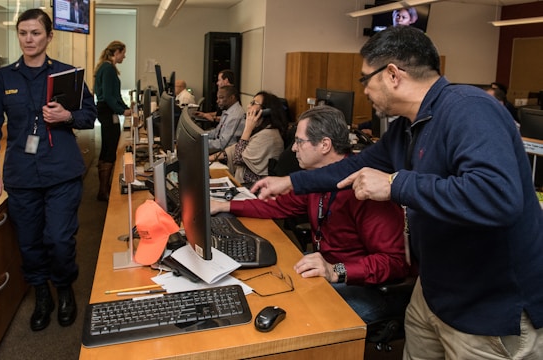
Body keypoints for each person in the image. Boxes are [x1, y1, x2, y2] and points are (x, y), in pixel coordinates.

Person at [252, 26, 543, 358]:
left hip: (488, 308)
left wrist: (394, 184)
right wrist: (290, 182)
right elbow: (352, 167)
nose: (364, 92)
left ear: (392, 74)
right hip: (434, 292)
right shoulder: (409, 125)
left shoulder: (470, 109)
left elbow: (497, 197)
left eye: (365, 80)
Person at [211, 105, 409, 323]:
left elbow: (396, 262)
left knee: (298, 319)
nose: (293, 149)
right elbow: (277, 206)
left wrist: (336, 270)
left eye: (299, 141)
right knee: (261, 288)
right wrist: (225, 206)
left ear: (324, 145)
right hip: (326, 271)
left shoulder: (364, 190)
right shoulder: (316, 179)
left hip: (362, 286)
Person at [0, 8, 97, 332]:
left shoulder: (68, 75)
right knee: (29, 242)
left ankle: (65, 287)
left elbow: (90, 115)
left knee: (58, 239)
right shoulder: (2, 78)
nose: (29, 39)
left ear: (49, 36)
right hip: (22, 175)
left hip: (62, 173)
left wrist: (66, 117)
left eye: (36, 33)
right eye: (23, 33)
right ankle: (42, 294)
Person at [218, 91, 288, 184]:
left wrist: (247, 128)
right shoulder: (261, 131)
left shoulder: (268, 136)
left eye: (253, 103)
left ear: (266, 111)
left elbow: (238, 158)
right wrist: (210, 157)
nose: (248, 106)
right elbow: (235, 149)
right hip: (244, 184)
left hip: (252, 188)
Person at [93, 40, 133, 201]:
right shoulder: (108, 69)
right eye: (123, 53)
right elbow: (109, 97)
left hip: (106, 111)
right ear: (116, 52)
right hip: (107, 112)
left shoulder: (105, 67)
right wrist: (122, 110)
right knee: (110, 148)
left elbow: (114, 96)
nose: (124, 56)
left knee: (107, 148)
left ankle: (104, 187)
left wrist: (125, 107)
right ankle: (103, 191)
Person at [207, 85, 245, 155]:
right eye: (217, 98)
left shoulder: (235, 116)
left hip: (225, 154)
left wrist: (201, 142)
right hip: (220, 148)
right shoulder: (228, 111)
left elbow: (222, 144)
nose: (217, 101)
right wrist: (201, 135)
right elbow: (216, 132)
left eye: (221, 98)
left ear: (232, 97)